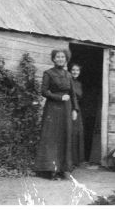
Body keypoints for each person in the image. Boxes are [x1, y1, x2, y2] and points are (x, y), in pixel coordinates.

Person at [34, 49, 79, 180]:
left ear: (66, 59)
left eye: (62, 57)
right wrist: (58, 98)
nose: (60, 59)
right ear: (53, 59)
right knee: (52, 138)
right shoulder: (48, 73)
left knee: (64, 136)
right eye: (57, 57)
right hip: (53, 109)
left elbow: (73, 94)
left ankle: (63, 169)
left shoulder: (68, 75)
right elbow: (43, 91)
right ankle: (50, 170)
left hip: (66, 109)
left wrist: (75, 109)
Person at [69, 63, 85, 166]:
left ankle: (76, 160)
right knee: (70, 132)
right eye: (73, 70)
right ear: (70, 70)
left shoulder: (79, 83)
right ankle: (68, 160)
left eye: (77, 70)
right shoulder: (67, 81)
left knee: (77, 132)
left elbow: (80, 97)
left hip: (77, 109)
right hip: (68, 108)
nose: (75, 72)